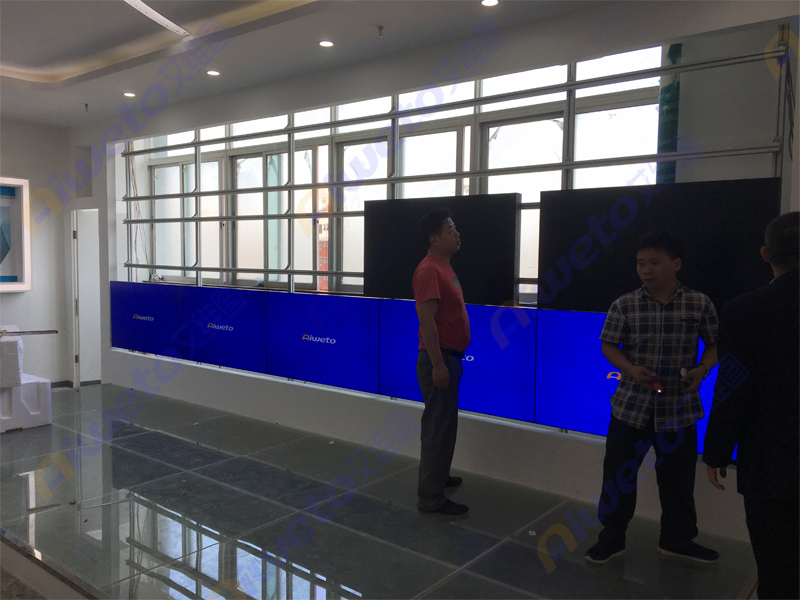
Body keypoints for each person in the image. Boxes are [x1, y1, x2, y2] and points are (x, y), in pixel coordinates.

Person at [585, 229, 719, 564]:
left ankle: (676, 540)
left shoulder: (699, 303)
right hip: (631, 407)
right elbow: (608, 345)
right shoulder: (625, 304)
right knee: (618, 479)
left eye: (654, 262)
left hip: (679, 409)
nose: (646, 270)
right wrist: (631, 369)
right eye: (641, 263)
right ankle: (612, 539)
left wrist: (702, 370)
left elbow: (716, 344)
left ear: (676, 264)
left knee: (678, 483)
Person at [703, 212, 799, 599]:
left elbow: (732, 388)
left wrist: (715, 452)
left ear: (765, 254)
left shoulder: (744, 309)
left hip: (770, 462)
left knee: (776, 569)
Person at [413, 208, 470, 515]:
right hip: (440, 359)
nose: (457, 234)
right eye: (451, 230)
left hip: (450, 357)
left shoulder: (444, 267)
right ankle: (430, 498)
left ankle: (439, 477)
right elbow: (427, 321)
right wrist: (438, 364)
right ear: (434, 239)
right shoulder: (429, 271)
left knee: (446, 425)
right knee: (437, 428)